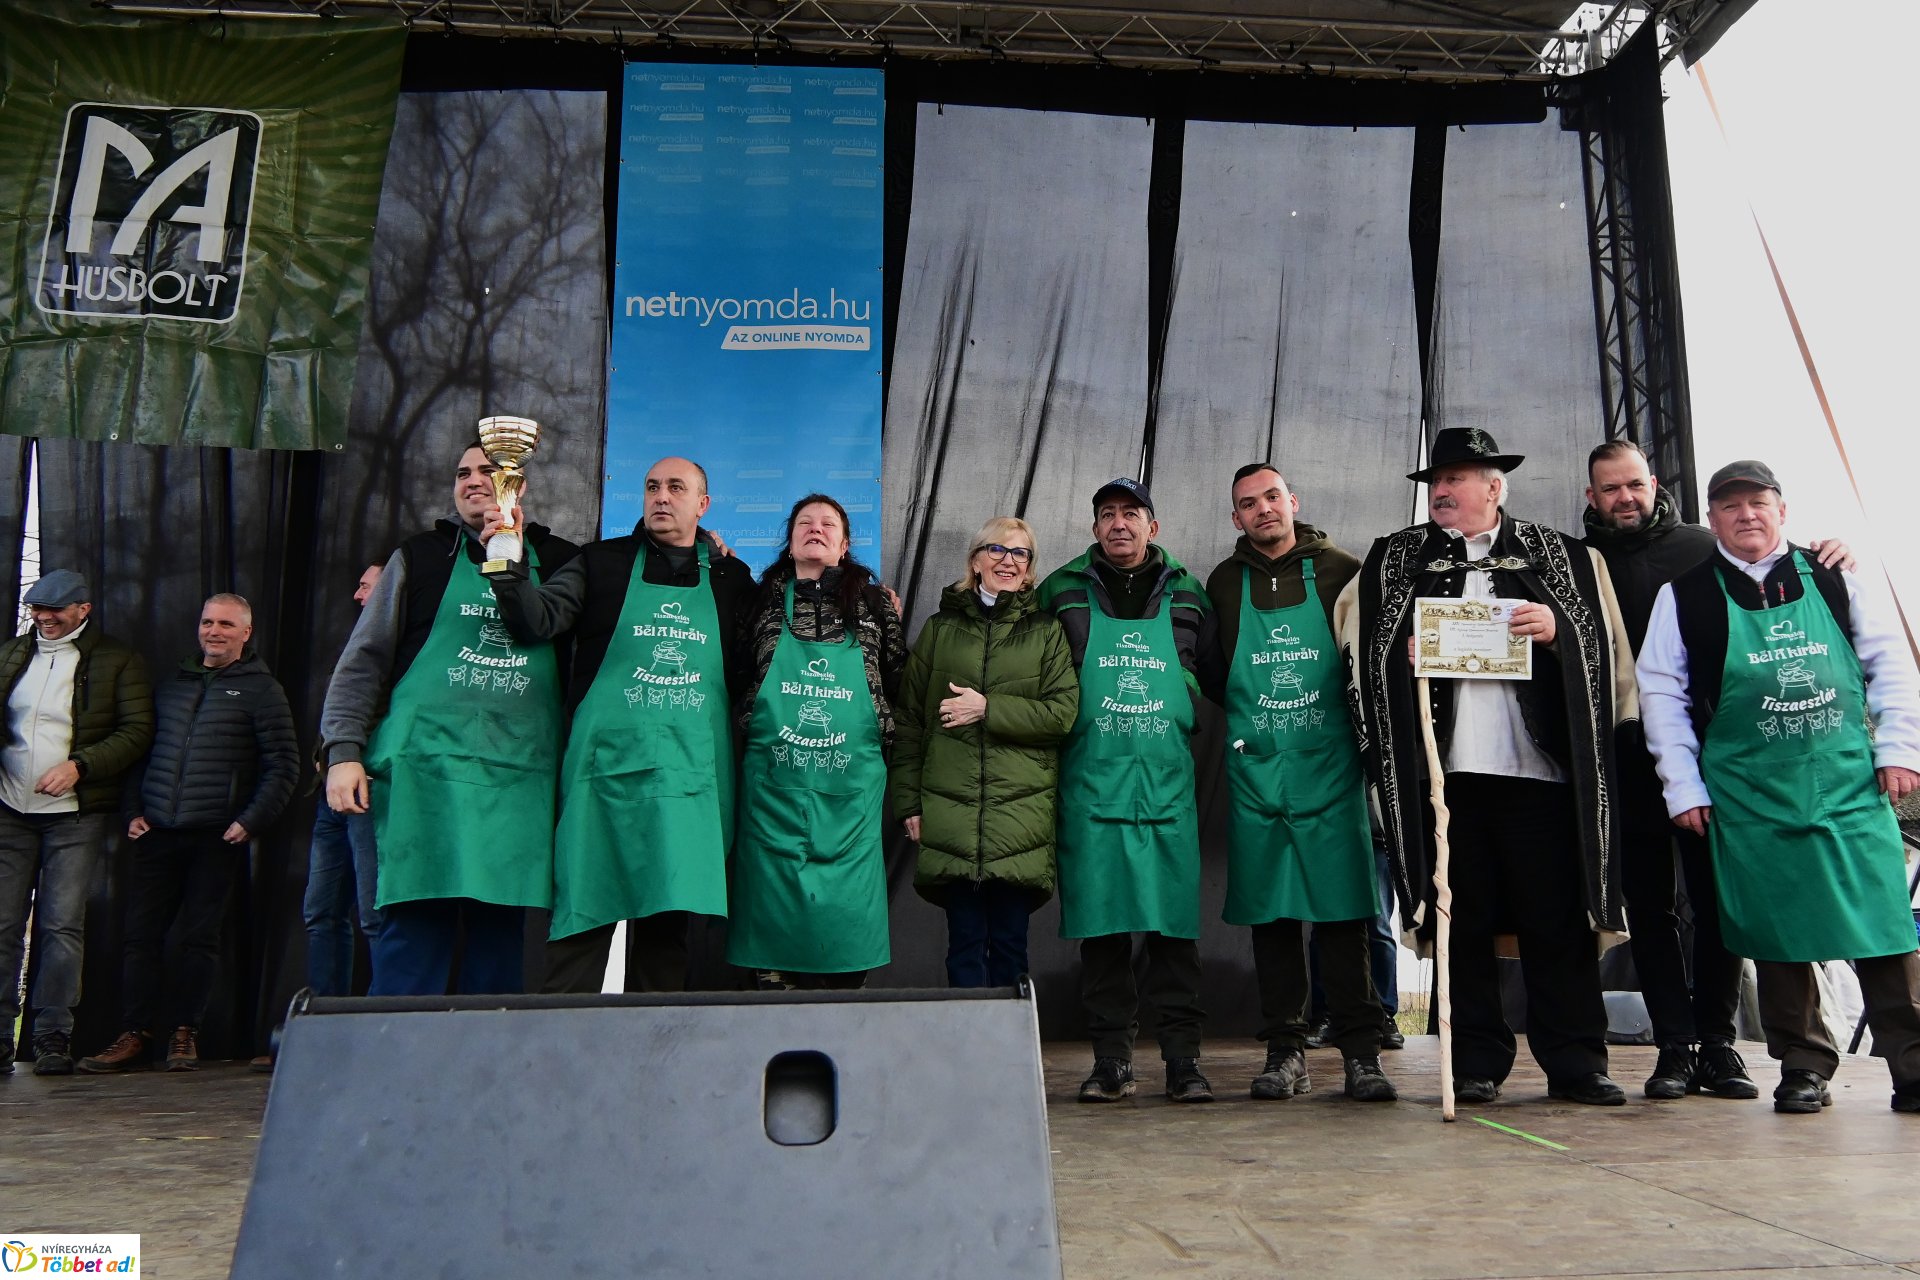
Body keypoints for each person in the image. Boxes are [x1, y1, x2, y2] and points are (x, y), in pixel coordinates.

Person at [1339, 427, 1637, 1106]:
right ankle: (1474, 1061)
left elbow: (1604, 648)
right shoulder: (1395, 560)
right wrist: (1399, 657)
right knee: (1461, 922)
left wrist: (1558, 629)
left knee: (1554, 922)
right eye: (1435, 483)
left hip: (1539, 777)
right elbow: (1358, 652)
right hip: (1446, 782)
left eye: (1457, 480)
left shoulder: (1559, 557)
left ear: (1494, 487)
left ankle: (1576, 1062)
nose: (1442, 492)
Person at [1636, 459, 1920, 1115]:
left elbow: (1891, 666)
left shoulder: (1836, 575)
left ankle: (1912, 1063)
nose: (1746, 515)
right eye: (1730, 506)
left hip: (1847, 780)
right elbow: (1661, 697)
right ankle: (1803, 1065)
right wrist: (1683, 787)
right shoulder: (1684, 596)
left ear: (1782, 510)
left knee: (1882, 924)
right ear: (1712, 521)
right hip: (1749, 792)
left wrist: (1900, 749)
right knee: (1778, 931)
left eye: (1758, 502)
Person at [320, 441, 579, 996]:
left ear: (518, 485)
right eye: (462, 472)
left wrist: (708, 549)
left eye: (488, 471)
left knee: (499, 947)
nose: (472, 481)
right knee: (413, 934)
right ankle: (395, 1074)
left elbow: (556, 626)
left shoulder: (561, 562)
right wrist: (342, 752)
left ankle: (486, 1077)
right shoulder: (416, 557)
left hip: (516, 781)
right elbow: (363, 662)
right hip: (421, 777)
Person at [492, 457, 754, 993]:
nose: (661, 496)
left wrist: (865, 608)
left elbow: (769, 650)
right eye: (652, 486)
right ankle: (560, 1062)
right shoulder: (600, 562)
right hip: (604, 780)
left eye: (676, 488)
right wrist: (506, 562)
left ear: (702, 505)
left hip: (688, 784)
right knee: (582, 923)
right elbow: (535, 620)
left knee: (667, 934)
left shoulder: (731, 578)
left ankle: (650, 1064)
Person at [1203, 464, 1395, 1102]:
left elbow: (1369, 657)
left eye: (1271, 498)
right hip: (1258, 769)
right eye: (1248, 504)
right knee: (1272, 917)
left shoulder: (1343, 570)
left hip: (1331, 767)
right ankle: (1285, 1052)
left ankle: (1361, 1056)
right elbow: (1211, 673)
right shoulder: (1224, 583)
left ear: (1293, 502)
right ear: (1236, 518)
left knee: (1344, 913)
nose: (1263, 510)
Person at [1038, 478, 1217, 1104]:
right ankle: (1110, 1060)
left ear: (1153, 527)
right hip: (1092, 786)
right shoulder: (1059, 590)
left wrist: (1186, 699)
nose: (1119, 524)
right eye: (1107, 514)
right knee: (1104, 935)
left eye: (1132, 513)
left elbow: (1217, 672)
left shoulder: (1192, 592)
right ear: (1094, 529)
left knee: (1175, 938)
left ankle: (1183, 1063)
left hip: (1166, 788)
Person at [78, 595, 300, 1073]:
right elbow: (142, 748)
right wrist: (133, 809)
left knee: (199, 941)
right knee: (140, 937)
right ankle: (135, 1033)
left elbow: (283, 765)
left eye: (225, 624)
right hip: (157, 833)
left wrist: (251, 820)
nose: (213, 631)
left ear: (246, 632)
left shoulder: (263, 690)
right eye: (206, 622)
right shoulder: (170, 684)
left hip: (216, 837)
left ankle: (185, 1033)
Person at [729, 494, 906, 990]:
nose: (816, 529)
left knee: (847, 916)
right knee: (771, 915)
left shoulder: (874, 604)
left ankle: (842, 1011)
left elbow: (897, 678)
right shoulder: (758, 600)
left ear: (845, 545)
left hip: (852, 789)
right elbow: (739, 673)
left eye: (829, 524)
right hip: (774, 787)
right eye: (804, 522)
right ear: (789, 543)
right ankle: (773, 995)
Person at [892, 517, 1078, 988]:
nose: (1007, 561)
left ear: (1031, 570)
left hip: (1019, 818)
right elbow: (910, 720)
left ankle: (1011, 1057)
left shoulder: (1046, 632)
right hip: (951, 811)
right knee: (965, 944)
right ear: (975, 561)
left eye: (1020, 553)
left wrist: (987, 708)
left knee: (1012, 946)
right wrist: (908, 801)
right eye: (997, 549)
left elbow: (1061, 715)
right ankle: (969, 1057)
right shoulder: (939, 630)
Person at [0, 570, 153, 1076]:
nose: (44, 618)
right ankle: (1, 1035)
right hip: (10, 812)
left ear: (82, 609)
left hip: (74, 816)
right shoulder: (12, 654)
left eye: (55, 610)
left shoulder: (118, 660)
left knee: (61, 924)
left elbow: (136, 731)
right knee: (3, 925)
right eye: (37, 609)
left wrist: (79, 766)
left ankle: (51, 1036)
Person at [300, 564, 387, 1001]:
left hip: (371, 790)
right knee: (321, 912)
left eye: (366, 586)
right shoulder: (357, 643)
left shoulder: (402, 648)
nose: (357, 595)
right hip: (329, 797)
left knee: (375, 915)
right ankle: (322, 1020)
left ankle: (378, 1027)